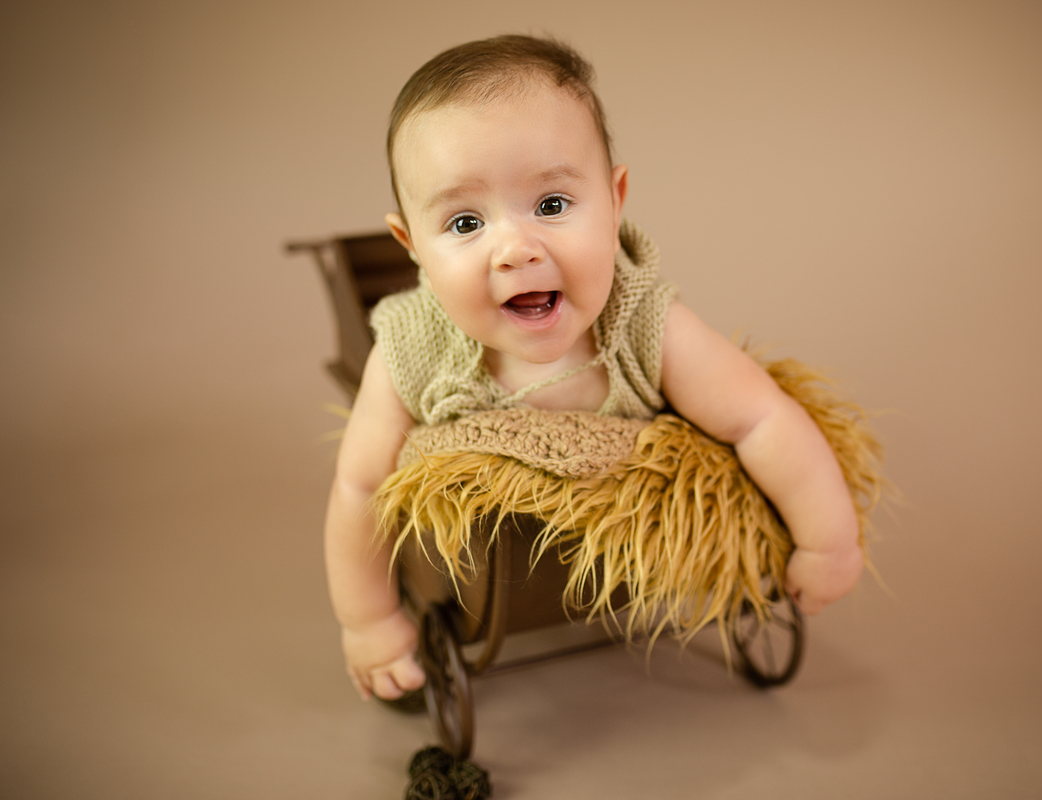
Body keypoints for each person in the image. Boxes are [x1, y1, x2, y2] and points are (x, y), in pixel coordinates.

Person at [324, 35, 862, 702]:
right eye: (465, 222)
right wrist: (369, 620)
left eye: (551, 205)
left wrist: (826, 542)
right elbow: (359, 487)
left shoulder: (644, 323)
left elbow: (762, 417)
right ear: (412, 247)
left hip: (625, 540)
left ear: (614, 205)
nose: (515, 250)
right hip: (493, 562)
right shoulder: (410, 347)